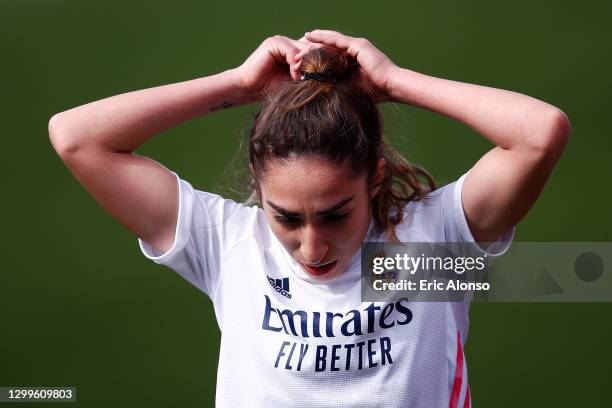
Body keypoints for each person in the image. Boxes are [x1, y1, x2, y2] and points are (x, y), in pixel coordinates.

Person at [48, 29, 570, 407]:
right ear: (258, 189)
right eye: (287, 219)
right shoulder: (231, 247)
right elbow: (77, 138)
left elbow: (540, 133)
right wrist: (240, 84)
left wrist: (392, 82)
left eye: (335, 215)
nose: (313, 247)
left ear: (373, 179)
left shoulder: (429, 252)